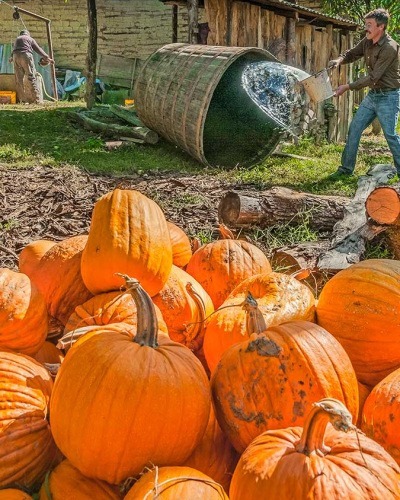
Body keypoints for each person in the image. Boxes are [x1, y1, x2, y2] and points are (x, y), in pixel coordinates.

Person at [328, 8, 400, 179]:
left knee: (390, 135)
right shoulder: (367, 41)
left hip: (389, 96)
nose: (365, 28)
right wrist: (339, 60)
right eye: (366, 24)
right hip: (373, 95)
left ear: (380, 27)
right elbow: (352, 54)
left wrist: (347, 86)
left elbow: (374, 77)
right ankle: (346, 169)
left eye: (369, 25)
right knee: (355, 128)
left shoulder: (390, 47)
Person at [10, 30, 54, 104]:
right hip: (25, 55)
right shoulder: (30, 39)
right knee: (31, 77)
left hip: (15, 57)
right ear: (28, 34)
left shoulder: (17, 39)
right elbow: (38, 49)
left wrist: (11, 57)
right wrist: (47, 58)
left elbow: (14, 50)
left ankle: (23, 100)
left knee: (19, 79)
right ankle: (36, 100)